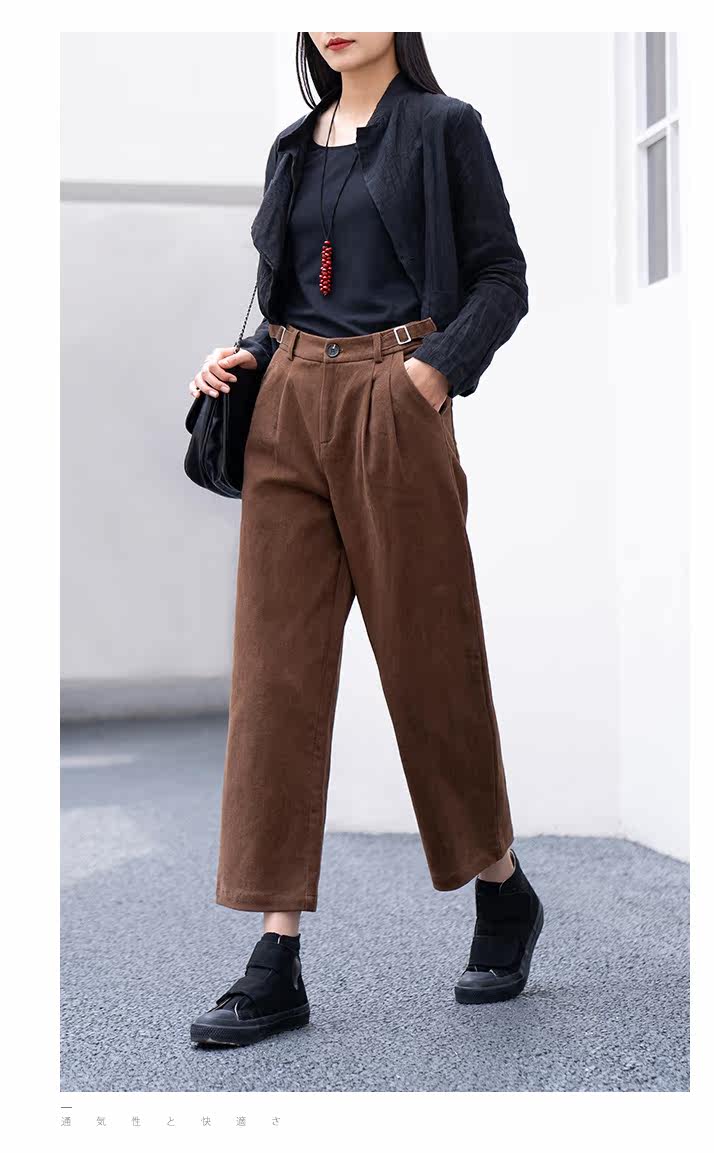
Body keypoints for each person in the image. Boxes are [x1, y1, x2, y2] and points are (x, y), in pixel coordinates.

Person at [188, 32, 543, 1048]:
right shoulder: (291, 147)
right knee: (275, 678)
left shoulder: (443, 129)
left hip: (395, 398)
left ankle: (502, 887)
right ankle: (275, 955)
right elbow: (291, 298)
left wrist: (432, 373)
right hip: (287, 405)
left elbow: (502, 278)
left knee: (429, 663)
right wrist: (241, 359)